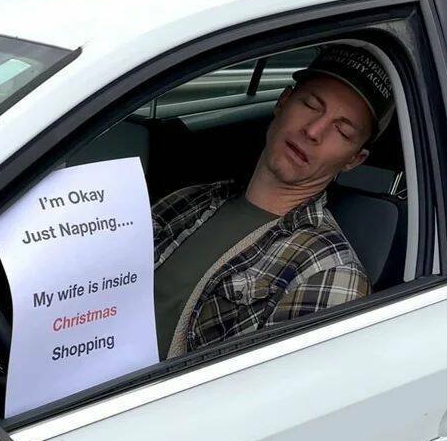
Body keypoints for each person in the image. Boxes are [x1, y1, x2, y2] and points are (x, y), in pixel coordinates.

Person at [153, 44, 395, 360]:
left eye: (342, 131)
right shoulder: (189, 200)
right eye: (311, 105)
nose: (313, 131)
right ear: (283, 101)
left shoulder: (328, 274)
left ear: (353, 160)